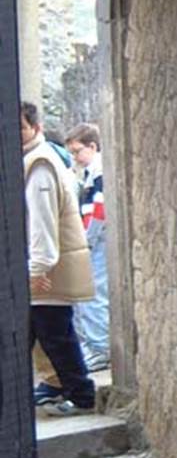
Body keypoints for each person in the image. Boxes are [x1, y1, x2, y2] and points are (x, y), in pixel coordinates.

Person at [21, 101, 96, 416]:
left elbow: (42, 222)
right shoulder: (34, 160)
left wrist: (37, 267)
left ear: (35, 128)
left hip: (47, 268)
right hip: (45, 265)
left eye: (20, 127)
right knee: (45, 334)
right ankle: (61, 387)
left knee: (55, 335)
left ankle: (81, 396)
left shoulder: (39, 165)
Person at [66, 123, 111, 372]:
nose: (75, 157)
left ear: (92, 146)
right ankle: (95, 345)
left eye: (77, 151)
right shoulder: (87, 172)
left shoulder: (99, 170)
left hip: (97, 240)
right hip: (91, 238)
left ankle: (101, 347)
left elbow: (100, 211)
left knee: (95, 294)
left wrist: (87, 239)